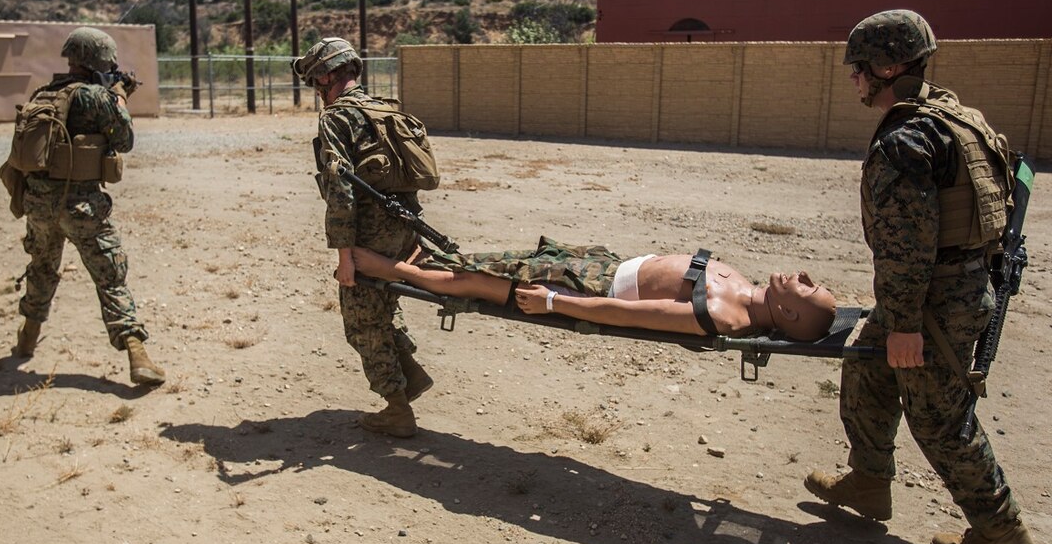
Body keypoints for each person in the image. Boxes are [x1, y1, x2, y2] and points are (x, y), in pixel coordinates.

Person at [804, 9, 1040, 544]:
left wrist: (906, 325)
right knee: (867, 367)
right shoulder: (957, 118)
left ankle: (1001, 530)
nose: (854, 78)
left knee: (938, 418)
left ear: (887, 68)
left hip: (933, 301)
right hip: (948, 287)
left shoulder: (906, 140)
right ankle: (868, 481)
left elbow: (905, 246)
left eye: (860, 68)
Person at [292, 37, 435, 439]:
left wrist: (345, 257)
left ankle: (397, 409)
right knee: (384, 306)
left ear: (326, 77)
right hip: (405, 228)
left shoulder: (336, 118)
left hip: (368, 237)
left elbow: (341, 192)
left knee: (362, 323)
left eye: (316, 81)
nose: (316, 90)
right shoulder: (387, 110)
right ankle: (409, 375)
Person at [13, 27, 165, 386]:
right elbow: (124, 140)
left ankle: (27, 339)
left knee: (42, 269)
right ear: (99, 61)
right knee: (110, 276)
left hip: (39, 204)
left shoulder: (43, 93)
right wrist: (119, 97)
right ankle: (137, 355)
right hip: (81, 206)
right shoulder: (96, 97)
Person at [350, 236, 838, 341]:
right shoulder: (749, 290)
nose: (803, 277)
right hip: (606, 266)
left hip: (588, 287)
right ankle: (424, 261)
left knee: (479, 282)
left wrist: (554, 302)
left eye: (807, 289)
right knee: (493, 262)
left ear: (790, 315)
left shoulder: (723, 314)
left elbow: (628, 316)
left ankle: (390, 268)